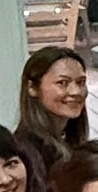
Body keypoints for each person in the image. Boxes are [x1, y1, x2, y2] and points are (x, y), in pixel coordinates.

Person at [15, 46, 91, 174]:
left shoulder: (69, 143)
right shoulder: (27, 154)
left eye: (81, 82)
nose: (76, 91)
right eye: (62, 83)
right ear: (32, 88)